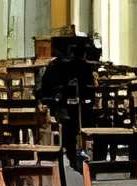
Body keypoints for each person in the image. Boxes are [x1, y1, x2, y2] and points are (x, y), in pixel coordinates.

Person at [35, 28, 102, 171]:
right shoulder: (59, 66)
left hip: (79, 106)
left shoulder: (75, 66)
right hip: (64, 107)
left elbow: (89, 87)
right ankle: (73, 155)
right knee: (69, 129)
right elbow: (47, 88)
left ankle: (80, 156)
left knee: (80, 127)